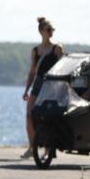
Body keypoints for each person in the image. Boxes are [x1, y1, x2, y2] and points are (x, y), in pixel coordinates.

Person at [22, 17, 63, 158]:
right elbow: (32, 72)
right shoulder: (35, 50)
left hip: (52, 85)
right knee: (29, 115)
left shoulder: (57, 48)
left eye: (52, 29)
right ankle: (32, 147)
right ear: (41, 31)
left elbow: (62, 68)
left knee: (47, 117)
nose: (51, 32)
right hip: (39, 84)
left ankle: (48, 147)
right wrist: (26, 90)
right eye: (48, 29)